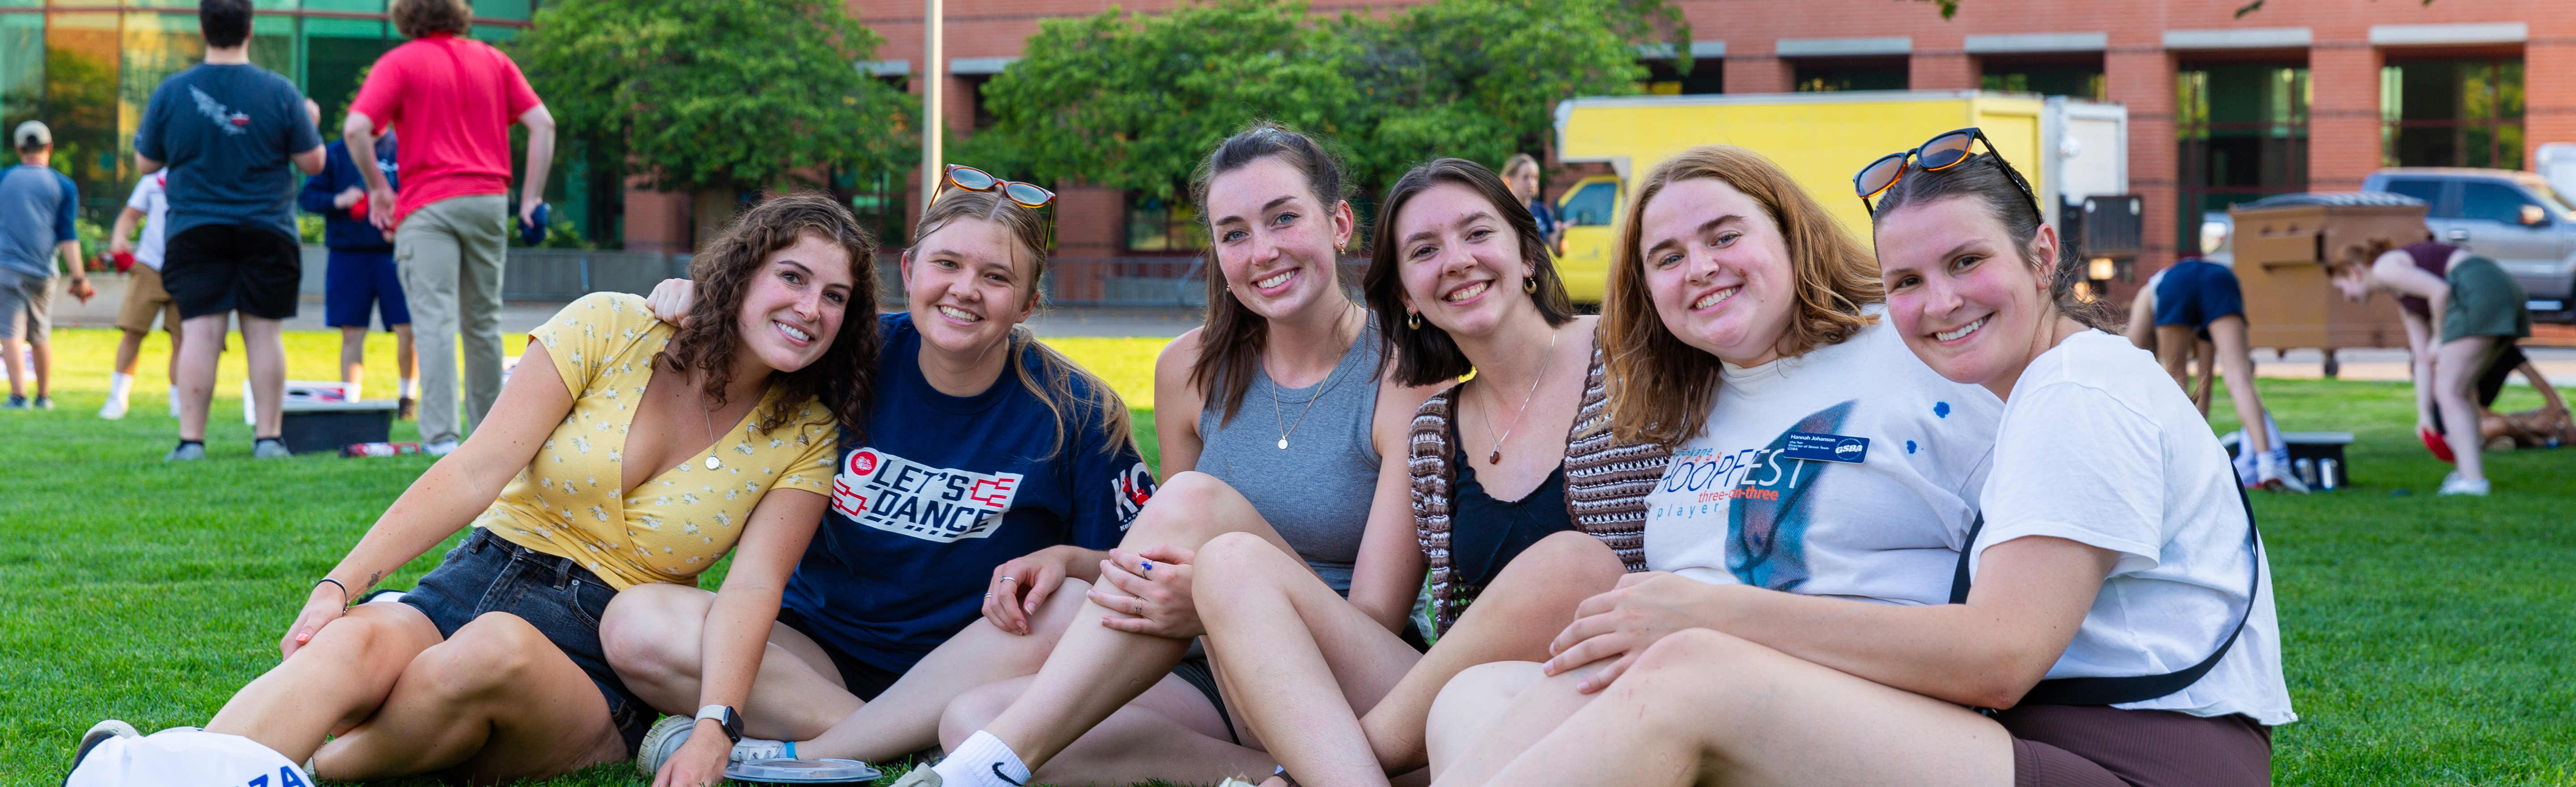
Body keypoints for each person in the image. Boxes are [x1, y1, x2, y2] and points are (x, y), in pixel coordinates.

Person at [1421, 132, 2292, 787]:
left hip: (2142, 762)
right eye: (1906, 282)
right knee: (1481, 693)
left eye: (1967, 261)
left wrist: (1706, 613)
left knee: (1690, 671)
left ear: (2044, 254)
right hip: (2026, 742)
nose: (1939, 302)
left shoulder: (2083, 390)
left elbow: (2000, 655)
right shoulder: (2034, 390)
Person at [72, 192, 880, 784]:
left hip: (591, 660)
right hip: (479, 574)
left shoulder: (804, 435)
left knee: (487, 654)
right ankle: (155, 772)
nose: (810, 308)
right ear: (744, 271)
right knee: (354, 640)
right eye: (793, 277)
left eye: (834, 296)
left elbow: (752, 589)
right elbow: (473, 468)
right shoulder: (613, 325)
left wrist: (715, 726)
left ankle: (307, 769)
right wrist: (339, 583)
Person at [898, 123, 1443, 787]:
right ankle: (1291, 771)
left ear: (1339, 223)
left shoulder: (1405, 374)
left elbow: (1373, 617)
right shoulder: (1190, 367)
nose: (1262, 250)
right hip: (1214, 670)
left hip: (1354, 676)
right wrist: (1073, 561)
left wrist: (1216, 602)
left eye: (1284, 219)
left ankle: (993, 763)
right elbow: (1160, 554)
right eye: (1235, 233)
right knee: (968, 716)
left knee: (1193, 500)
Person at [607, 174, 1159, 781]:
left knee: (1077, 603)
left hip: (979, 662)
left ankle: (815, 753)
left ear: (1028, 303)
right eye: (946, 263)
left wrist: (1065, 559)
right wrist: (703, 302)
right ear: (910, 269)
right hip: (812, 656)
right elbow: (760, 336)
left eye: (997, 278)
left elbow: (1135, 572)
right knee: (639, 624)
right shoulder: (845, 354)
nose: (965, 290)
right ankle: (913, 743)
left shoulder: (1076, 410)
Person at [1188, 157, 1661, 787]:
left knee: (1572, 566)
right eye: (1424, 250)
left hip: (1629, 688)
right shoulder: (1434, 428)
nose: (1456, 261)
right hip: (1477, 708)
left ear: (1526, 253)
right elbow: (1413, 628)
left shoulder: (1634, 358)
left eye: (1476, 234)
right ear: (1407, 295)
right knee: (1225, 562)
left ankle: (1307, 777)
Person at [345, 0, 555, 455]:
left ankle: (441, 438)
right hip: (488, 201)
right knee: (483, 321)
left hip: (429, 205)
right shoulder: (494, 60)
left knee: (435, 318)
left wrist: (379, 190)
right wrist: (532, 198)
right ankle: (492, 438)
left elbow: (357, 128)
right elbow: (543, 123)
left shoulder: (399, 63)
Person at [133, 0, 324, 459]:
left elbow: (146, 162)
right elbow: (314, 163)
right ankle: (268, 439)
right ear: (251, 29)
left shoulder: (173, 91)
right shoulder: (280, 91)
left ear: (203, 28)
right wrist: (309, 122)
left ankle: (191, 442)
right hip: (267, 227)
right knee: (264, 333)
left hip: (195, 229)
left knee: (199, 331)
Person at [2330, 238, 2538, 495]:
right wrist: (2424, 416)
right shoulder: (2405, 297)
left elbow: (2439, 291)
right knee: (2461, 390)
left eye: (2342, 289)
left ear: (2354, 271)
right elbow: (2422, 360)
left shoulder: (2385, 267)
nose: (2346, 298)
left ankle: (2473, 481)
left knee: (2449, 390)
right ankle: (2467, 474)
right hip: (2501, 288)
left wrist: (2440, 337)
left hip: (2478, 287)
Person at [2123, 258, 2306, 491]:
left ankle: (2180, 461)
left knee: (2176, 381)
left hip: (2176, 285)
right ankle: (2268, 465)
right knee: (2239, 379)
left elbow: (2132, 351)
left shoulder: (2149, 291)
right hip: (2220, 280)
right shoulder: (2199, 291)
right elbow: (2204, 388)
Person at [301, 121, 415, 418]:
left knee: (408, 330)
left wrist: (403, 226)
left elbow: (421, 197)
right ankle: (350, 404)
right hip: (348, 255)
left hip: (396, 254)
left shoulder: (406, 148)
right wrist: (338, 200)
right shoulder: (337, 152)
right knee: (352, 333)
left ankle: (408, 401)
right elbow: (308, 197)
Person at [0, 120, 93, 411]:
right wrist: (79, 278)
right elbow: (68, 234)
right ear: (49, 148)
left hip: (7, 269)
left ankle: (19, 397)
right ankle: (44, 397)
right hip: (43, 273)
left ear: (18, 149)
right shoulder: (64, 185)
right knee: (40, 333)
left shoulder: (4, 179)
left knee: (10, 333)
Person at [98, 169, 182, 420]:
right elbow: (131, 215)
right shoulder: (151, 181)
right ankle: (117, 399)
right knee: (132, 331)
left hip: (189, 266)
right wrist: (118, 239)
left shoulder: (201, 175)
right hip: (150, 265)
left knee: (183, 339)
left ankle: (180, 403)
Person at [1501, 154, 1560, 254]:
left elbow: (1558, 252)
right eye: (1526, 178)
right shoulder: (1502, 210)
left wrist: (1561, 235)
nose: (1531, 183)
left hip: (1539, 270)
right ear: (1510, 180)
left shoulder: (1542, 210)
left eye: (1535, 178)